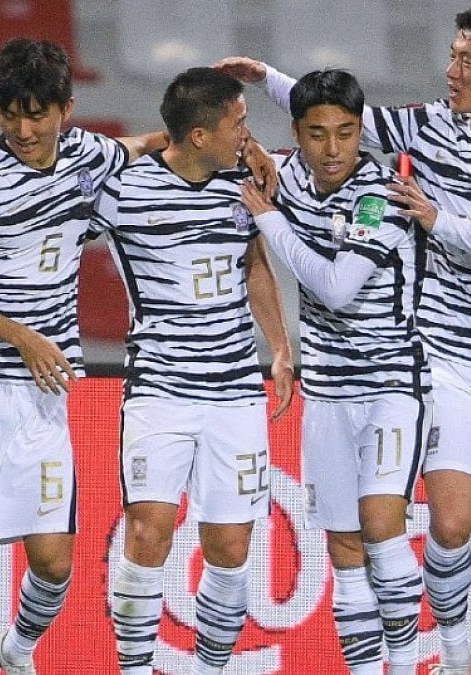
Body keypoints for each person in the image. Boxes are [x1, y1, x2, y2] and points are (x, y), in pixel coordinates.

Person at [217, 2, 471, 673]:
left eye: (466, 60)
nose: (450, 70)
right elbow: (346, 120)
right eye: (452, 54)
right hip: (449, 355)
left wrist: (441, 222)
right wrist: (264, 75)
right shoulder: (433, 126)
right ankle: (452, 650)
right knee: (446, 525)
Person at [0, 38, 169, 675]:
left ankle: (15, 650)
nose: (23, 129)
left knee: (56, 562)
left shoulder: (87, 154)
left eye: (37, 114)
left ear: (66, 109)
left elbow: (145, 147)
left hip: (42, 393)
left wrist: (230, 146)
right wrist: (24, 337)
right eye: (10, 114)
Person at [93, 67, 294, 675]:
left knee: (231, 548)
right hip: (160, 389)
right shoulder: (125, 190)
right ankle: (133, 666)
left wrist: (280, 346)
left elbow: (256, 262)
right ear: (200, 134)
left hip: (235, 390)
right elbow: (62, 193)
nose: (247, 134)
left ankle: (210, 668)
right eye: (238, 124)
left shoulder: (245, 182)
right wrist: (152, 140)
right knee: (148, 531)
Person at [238, 69, 429, 675]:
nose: (333, 149)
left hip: (390, 385)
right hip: (325, 391)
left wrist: (269, 220)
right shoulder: (283, 174)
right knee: (344, 545)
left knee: (380, 524)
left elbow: (338, 288)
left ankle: (405, 665)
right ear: (297, 132)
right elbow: (230, 148)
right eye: (317, 134)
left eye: (347, 133)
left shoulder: (381, 190)